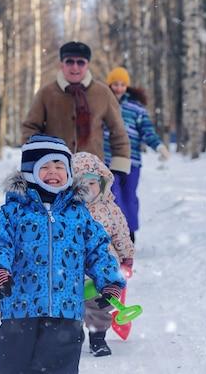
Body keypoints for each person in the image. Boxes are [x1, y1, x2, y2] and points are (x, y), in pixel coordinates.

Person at [0, 134, 126, 374]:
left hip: (65, 311)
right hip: (20, 309)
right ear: (29, 172)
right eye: (44, 166)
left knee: (61, 366)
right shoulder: (13, 212)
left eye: (59, 166)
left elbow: (98, 249)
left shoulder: (78, 214)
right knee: (14, 364)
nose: (53, 172)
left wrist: (109, 281)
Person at [21, 41, 132, 176]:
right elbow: (30, 128)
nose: (75, 67)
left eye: (80, 62)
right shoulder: (47, 93)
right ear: (61, 64)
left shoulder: (102, 93)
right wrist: (38, 159)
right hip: (55, 172)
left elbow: (118, 131)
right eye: (69, 62)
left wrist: (119, 166)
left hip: (93, 172)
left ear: (87, 65)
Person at [72, 152, 135, 357]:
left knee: (100, 306)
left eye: (93, 182)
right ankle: (72, 336)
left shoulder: (110, 209)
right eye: (82, 183)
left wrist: (126, 257)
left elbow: (122, 235)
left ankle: (98, 338)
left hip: (103, 270)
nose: (89, 188)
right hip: (74, 270)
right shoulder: (68, 211)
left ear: (102, 182)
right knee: (72, 305)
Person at [104, 66, 170, 243]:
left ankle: (130, 233)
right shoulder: (102, 103)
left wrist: (159, 147)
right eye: (115, 84)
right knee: (113, 196)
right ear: (109, 84)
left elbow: (147, 131)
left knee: (129, 198)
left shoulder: (135, 108)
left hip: (131, 161)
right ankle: (116, 234)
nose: (118, 88)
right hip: (108, 161)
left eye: (122, 84)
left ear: (127, 86)